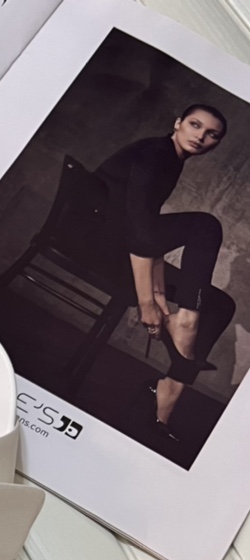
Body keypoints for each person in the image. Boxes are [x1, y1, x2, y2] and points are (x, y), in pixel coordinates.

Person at [94, 104, 234, 440]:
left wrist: (158, 294)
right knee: (205, 226)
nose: (200, 136)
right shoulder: (156, 154)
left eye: (211, 134)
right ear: (178, 123)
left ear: (216, 142)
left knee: (220, 305)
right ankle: (186, 322)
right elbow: (140, 235)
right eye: (195, 125)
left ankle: (167, 393)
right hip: (96, 247)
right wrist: (147, 303)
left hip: (119, 248)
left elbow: (147, 232)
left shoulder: (169, 159)